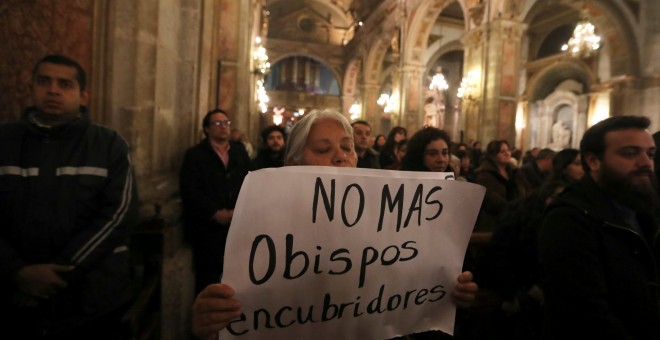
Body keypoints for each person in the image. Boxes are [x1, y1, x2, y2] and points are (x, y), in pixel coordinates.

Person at [191, 109, 479, 340]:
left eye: (347, 147)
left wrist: (448, 294)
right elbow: (240, 311)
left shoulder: (390, 224)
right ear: (294, 161)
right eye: (323, 148)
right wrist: (211, 319)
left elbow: (407, 300)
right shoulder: (262, 227)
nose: (341, 156)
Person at [0, 54, 140, 338]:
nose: (53, 90)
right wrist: (17, 271)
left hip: (91, 301)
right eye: (44, 81)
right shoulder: (5, 141)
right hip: (13, 298)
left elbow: (119, 214)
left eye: (65, 84)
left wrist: (53, 276)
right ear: (32, 88)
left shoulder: (108, 144)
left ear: (83, 95)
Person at [538, 115, 659, 339]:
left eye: (650, 154)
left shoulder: (642, 209)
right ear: (593, 161)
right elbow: (587, 314)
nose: (646, 163)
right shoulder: (569, 219)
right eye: (630, 153)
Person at [179, 109, 251, 295]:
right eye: (217, 123)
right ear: (206, 129)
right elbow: (190, 190)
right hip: (207, 230)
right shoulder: (195, 155)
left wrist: (239, 211)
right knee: (208, 282)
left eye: (226, 123)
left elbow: (250, 181)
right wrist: (215, 213)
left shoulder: (239, 152)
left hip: (237, 227)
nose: (223, 127)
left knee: (236, 281)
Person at [473, 140, 532, 232]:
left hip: (518, 220)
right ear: (493, 155)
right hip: (494, 222)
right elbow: (491, 199)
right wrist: (514, 207)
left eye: (508, 150)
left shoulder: (515, 172)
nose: (507, 154)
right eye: (502, 152)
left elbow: (528, 191)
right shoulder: (485, 175)